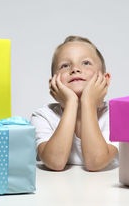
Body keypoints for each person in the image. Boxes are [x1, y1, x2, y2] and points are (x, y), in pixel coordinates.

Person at [30, 36, 118, 171]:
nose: (75, 69)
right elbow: (55, 162)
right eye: (65, 65)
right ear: (53, 82)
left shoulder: (116, 116)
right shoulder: (43, 116)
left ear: (105, 79)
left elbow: (96, 162)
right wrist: (71, 103)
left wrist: (87, 101)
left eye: (86, 63)